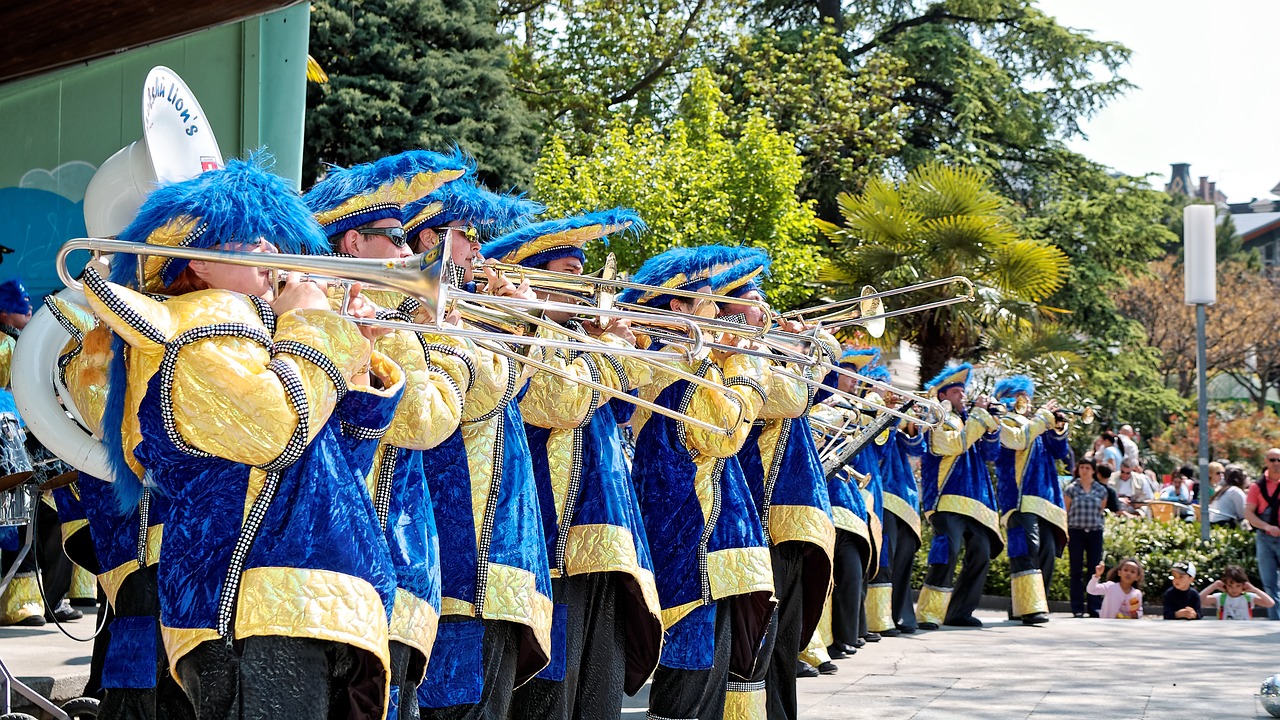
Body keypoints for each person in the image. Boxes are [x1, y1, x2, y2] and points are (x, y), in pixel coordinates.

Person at [84, 156, 407, 719]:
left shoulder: (267, 337)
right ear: (200, 266)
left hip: (312, 595)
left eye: (268, 234)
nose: (268, 248)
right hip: (251, 601)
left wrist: (355, 349)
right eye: (246, 236)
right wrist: (312, 326)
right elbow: (277, 431)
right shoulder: (198, 333)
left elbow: (344, 454)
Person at [303, 149, 472, 719]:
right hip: (357, 550)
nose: (409, 254)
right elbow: (423, 420)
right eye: (396, 240)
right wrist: (440, 343)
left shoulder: (377, 315)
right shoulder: (321, 314)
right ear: (352, 244)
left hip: (388, 551)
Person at [481, 211, 665, 720]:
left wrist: (624, 343)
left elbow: (625, 409)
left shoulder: (576, 339)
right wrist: (608, 349)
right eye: (569, 271)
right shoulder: (522, 339)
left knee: (598, 687)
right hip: (553, 531)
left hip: (604, 532)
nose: (584, 285)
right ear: (532, 278)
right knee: (551, 695)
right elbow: (559, 403)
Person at [401, 177, 556, 718]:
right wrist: (518, 324)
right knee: (458, 699)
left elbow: (544, 394)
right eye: (464, 233)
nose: (476, 248)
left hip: (497, 548)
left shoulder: (459, 313)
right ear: (427, 242)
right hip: (455, 542)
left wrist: (523, 322)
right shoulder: (407, 315)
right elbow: (487, 393)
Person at [619, 246, 773, 720]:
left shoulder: (697, 364)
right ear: (677, 309)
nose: (720, 312)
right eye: (708, 301)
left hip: (713, 527)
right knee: (692, 664)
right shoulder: (676, 368)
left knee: (720, 660)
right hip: (688, 527)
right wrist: (743, 361)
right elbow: (725, 430)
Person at [705, 247, 838, 720]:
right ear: (728, 308)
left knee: (784, 635)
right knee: (763, 632)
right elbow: (792, 398)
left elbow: (823, 384)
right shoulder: (737, 358)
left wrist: (809, 346)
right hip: (765, 513)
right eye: (755, 300)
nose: (766, 309)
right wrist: (795, 354)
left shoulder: (764, 356)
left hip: (796, 512)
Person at [912, 363, 1002, 630]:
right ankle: (929, 612)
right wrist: (978, 418)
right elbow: (948, 445)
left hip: (976, 501)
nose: (962, 396)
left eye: (963, 391)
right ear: (942, 396)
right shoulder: (936, 416)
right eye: (955, 392)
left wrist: (993, 429)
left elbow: (992, 456)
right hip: (945, 496)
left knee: (982, 552)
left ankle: (960, 611)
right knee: (947, 550)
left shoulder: (973, 418)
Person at [991, 375, 1068, 626]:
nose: (1028, 403)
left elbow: (1060, 453)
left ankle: (1028, 604)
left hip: (1045, 498)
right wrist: (1042, 419)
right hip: (1018, 496)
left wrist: (1058, 428)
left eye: (1028, 398)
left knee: (1046, 548)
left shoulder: (1038, 423)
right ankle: (1029, 608)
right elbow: (1018, 440)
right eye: (1022, 397)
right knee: (1026, 548)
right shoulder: (1003, 422)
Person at [1063, 459, 1108, 618]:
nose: (1084, 470)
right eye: (1082, 467)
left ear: (1094, 470)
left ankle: (1094, 606)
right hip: (1076, 532)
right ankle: (1077, 607)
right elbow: (1066, 511)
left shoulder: (1101, 490)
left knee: (1094, 570)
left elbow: (1101, 510)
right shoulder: (1071, 489)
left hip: (1095, 532)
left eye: (1088, 468)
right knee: (1076, 570)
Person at [1243, 448, 1280, 620]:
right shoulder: (1256, 487)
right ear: (1266, 461)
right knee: (1270, 583)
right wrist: (1266, 526)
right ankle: (1275, 621)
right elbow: (1249, 513)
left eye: (1279, 460)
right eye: (1272, 460)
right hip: (1265, 538)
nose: (1276, 464)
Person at [1200, 565, 1276, 620]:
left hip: (1245, 631)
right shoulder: (1220, 597)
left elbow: (1270, 603)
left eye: (1238, 586)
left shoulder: (1249, 597)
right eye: (1230, 586)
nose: (1234, 589)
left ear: (1243, 585)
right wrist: (1214, 586)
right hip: (1224, 631)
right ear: (1225, 585)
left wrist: (1254, 589)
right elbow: (1199, 599)